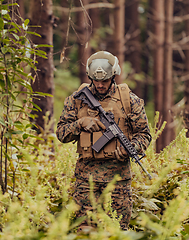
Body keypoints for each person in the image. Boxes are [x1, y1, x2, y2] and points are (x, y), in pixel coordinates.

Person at [56, 51, 152, 231]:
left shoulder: (129, 101)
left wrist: (132, 148)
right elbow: (61, 133)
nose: (100, 85)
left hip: (118, 181)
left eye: (105, 80)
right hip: (86, 180)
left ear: (114, 76)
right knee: (84, 231)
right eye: (96, 80)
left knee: (117, 231)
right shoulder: (77, 100)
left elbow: (144, 134)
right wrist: (80, 124)